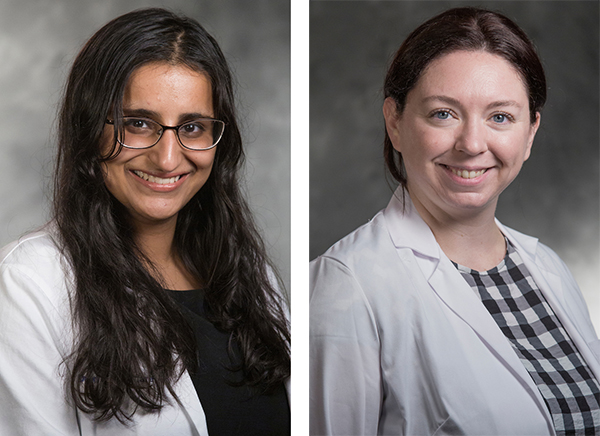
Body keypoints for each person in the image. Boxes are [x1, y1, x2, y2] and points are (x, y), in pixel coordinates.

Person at [310, 7, 600, 435]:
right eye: (444, 113)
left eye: (500, 116)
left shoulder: (549, 270)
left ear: (531, 133)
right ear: (395, 122)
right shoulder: (346, 286)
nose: (472, 144)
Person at [0, 8, 290, 436]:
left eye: (192, 127)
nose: (168, 158)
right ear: (89, 127)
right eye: (138, 123)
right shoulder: (28, 284)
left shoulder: (247, 273)